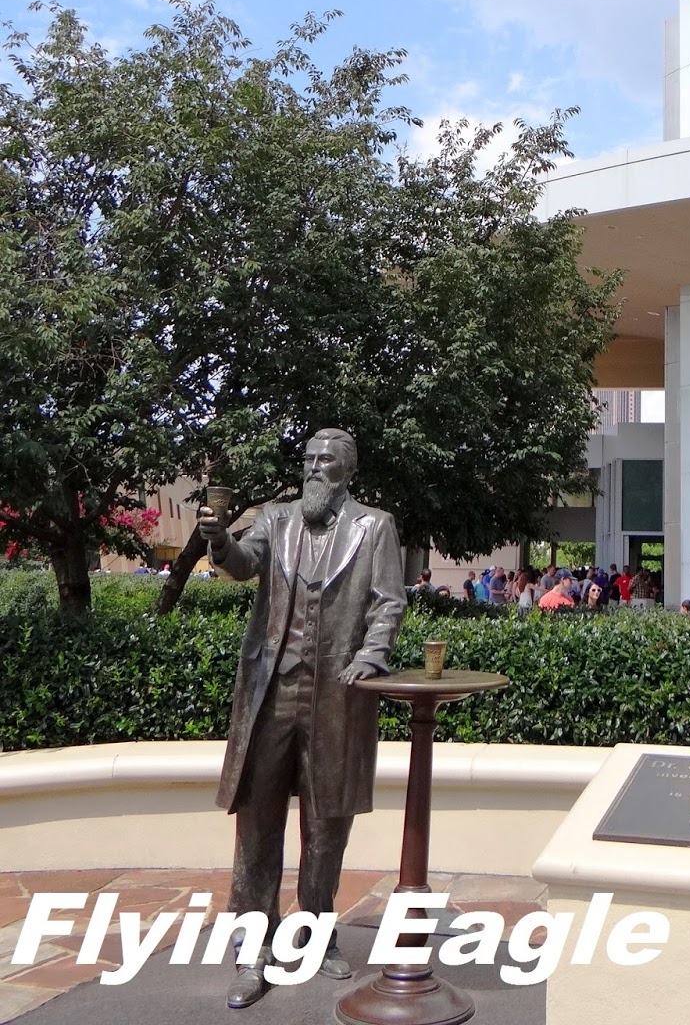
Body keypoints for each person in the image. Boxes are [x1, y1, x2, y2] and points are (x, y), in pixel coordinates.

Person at [199, 428, 405, 1009]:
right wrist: (221, 542)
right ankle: (254, 946)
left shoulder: (374, 526)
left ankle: (317, 931)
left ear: (348, 471)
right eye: (310, 459)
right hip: (272, 689)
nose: (314, 467)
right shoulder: (276, 517)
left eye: (327, 460)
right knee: (257, 817)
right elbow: (245, 563)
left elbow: (388, 601)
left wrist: (372, 655)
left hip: (338, 691)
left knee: (327, 819)